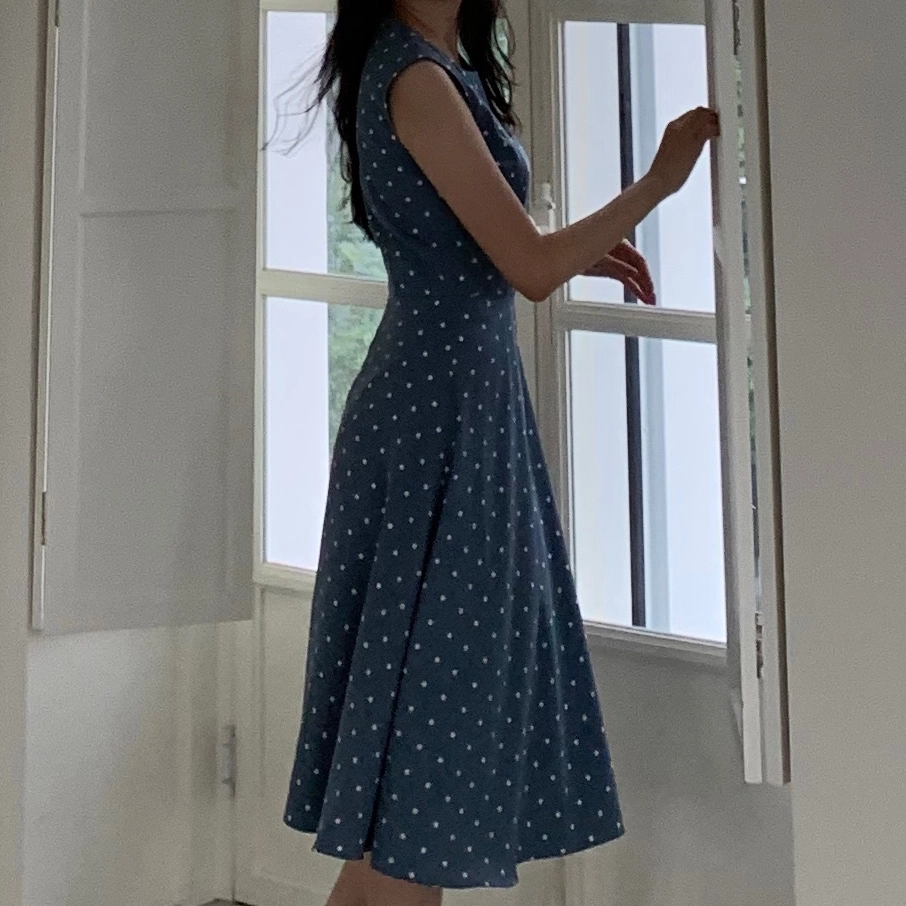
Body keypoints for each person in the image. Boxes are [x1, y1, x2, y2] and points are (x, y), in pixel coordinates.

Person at [283, 1, 719, 903]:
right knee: (421, 786)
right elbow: (530, 267)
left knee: (406, 803)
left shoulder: (436, 61)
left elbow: (489, 246)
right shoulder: (416, 77)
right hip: (435, 424)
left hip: (452, 412)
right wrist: (657, 182)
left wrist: (571, 249)